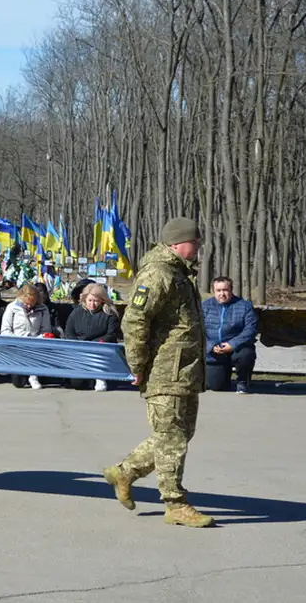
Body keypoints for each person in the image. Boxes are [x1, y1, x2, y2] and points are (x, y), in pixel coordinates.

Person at [103, 217, 214, 528]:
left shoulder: (178, 272)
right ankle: (175, 503)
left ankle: (124, 472)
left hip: (185, 370)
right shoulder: (158, 273)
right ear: (177, 242)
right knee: (172, 438)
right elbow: (135, 320)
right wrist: (136, 365)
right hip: (166, 370)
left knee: (177, 434)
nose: (199, 247)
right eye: (195, 242)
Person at [202, 276, 258, 394]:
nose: (222, 294)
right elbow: (198, 330)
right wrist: (211, 346)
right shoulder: (205, 306)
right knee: (215, 386)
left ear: (231, 290)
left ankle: (243, 381)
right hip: (214, 351)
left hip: (237, 349)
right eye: (218, 290)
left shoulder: (245, 306)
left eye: (225, 290)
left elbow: (251, 329)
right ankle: (223, 376)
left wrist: (232, 344)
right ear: (213, 291)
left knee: (246, 354)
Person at [63, 283, 121, 391]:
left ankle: (100, 376)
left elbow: (111, 334)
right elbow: (69, 331)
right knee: (78, 384)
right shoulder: (77, 312)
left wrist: (96, 343)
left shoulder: (110, 314)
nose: (92, 304)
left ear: (102, 300)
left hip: (100, 349)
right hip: (79, 348)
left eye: (96, 301)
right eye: (90, 301)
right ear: (85, 299)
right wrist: (76, 344)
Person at [1, 283, 54, 390]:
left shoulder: (43, 309)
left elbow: (46, 330)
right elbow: (5, 330)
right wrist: (17, 341)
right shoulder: (11, 308)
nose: (29, 306)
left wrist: (41, 337)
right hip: (17, 343)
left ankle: (33, 375)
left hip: (35, 344)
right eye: (26, 303)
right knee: (18, 384)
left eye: (32, 303)